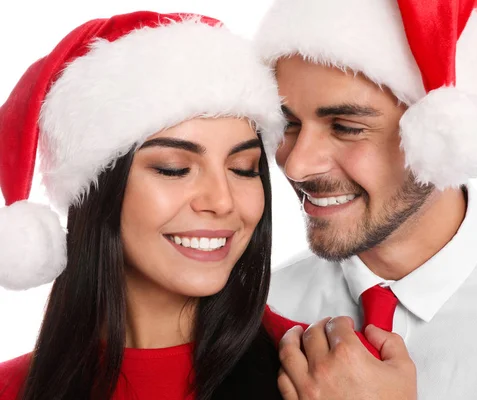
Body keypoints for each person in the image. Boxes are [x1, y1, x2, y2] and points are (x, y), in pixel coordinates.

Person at [254, 0, 477, 399]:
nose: (296, 165)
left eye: (346, 128)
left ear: (442, 135)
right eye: (289, 123)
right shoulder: (261, 306)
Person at [0, 10, 288, 400]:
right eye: (174, 169)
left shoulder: (325, 373)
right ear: (98, 192)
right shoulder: (11, 388)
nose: (222, 201)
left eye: (243, 168)